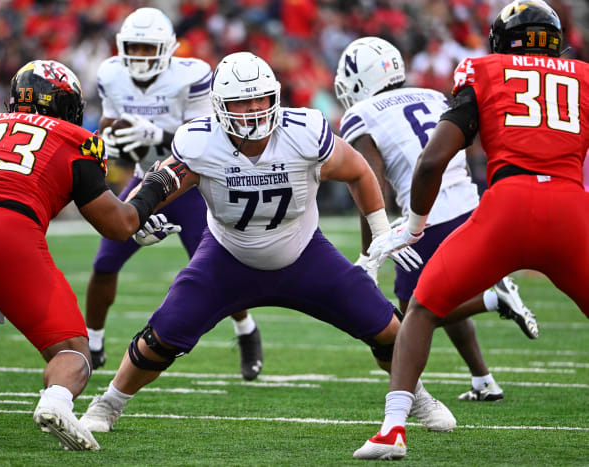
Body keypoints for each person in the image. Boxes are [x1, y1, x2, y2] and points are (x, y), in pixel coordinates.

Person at [78, 51, 457, 436]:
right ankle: (109, 402)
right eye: (243, 101)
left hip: (305, 254)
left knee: (388, 330)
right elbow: (163, 179)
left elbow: (358, 169)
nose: (255, 109)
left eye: (261, 98)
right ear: (220, 106)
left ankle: (418, 396)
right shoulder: (200, 140)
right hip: (227, 257)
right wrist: (141, 212)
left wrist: (380, 232)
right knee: (160, 337)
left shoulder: (303, 131)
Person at [0, 60, 185, 451]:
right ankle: (56, 401)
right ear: (64, 105)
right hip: (13, 243)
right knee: (72, 352)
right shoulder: (74, 138)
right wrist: (157, 185)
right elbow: (118, 225)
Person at [355, 0, 589, 460]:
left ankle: (392, 430)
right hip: (569, 209)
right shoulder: (583, 76)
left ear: (500, 41)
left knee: (421, 308)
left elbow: (433, 160)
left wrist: (414, 225)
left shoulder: (483, 71)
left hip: (506, 208)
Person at [334, 36, 538, 403]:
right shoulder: (430, 95)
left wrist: (371, 253)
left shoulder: (361, 115)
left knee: (413, 311)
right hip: (471, 206)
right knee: (444, 288)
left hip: (427, 215)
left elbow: (369, 183)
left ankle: (493, 300)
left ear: (359, 79)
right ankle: (483, 380)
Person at [88, 7, 264, 380]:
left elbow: (206, 133)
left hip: (188, 182)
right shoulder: (111, 74)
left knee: (215, 270)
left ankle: (247, 331)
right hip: (142, 178)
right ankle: (93, 341)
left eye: (147, 47)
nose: (138, 55)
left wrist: (157, 135)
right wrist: (115, 136)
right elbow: (108, 122)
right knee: (106, 262)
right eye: (132, 47)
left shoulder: (193, 74)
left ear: (167, 49)